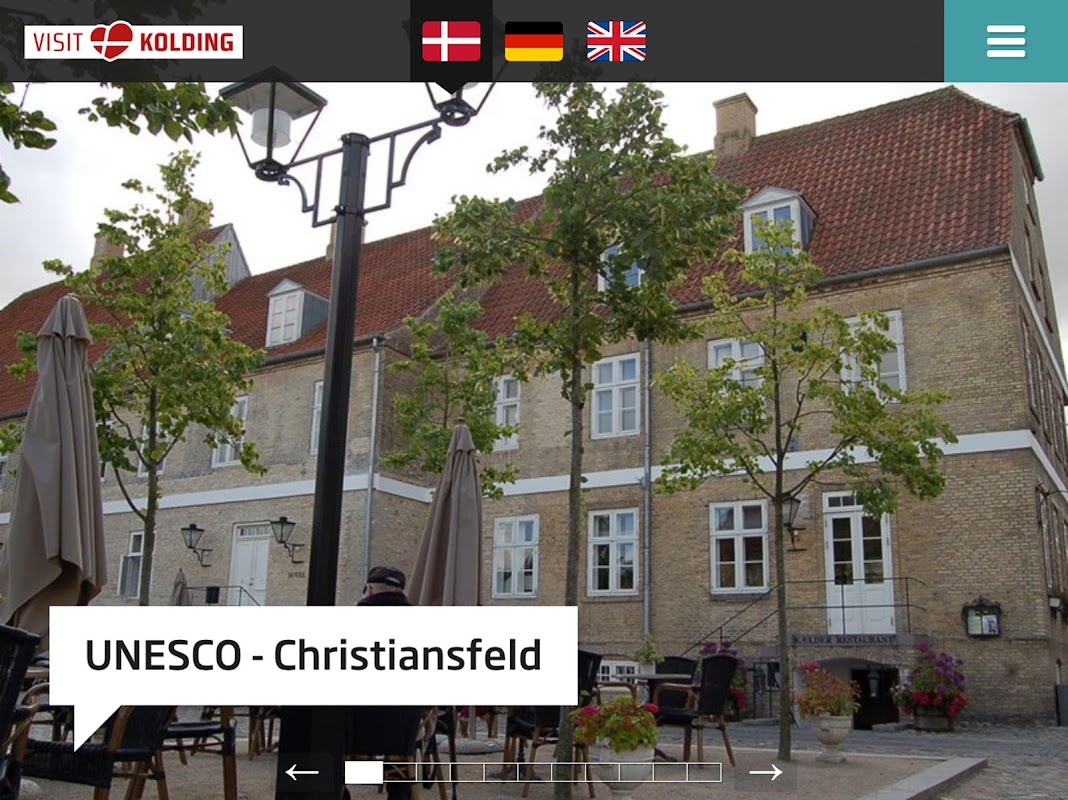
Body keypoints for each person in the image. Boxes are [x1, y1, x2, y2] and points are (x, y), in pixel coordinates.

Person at [345, 565, 422, 800]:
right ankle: (399, 790)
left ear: (368, 590)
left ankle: (340, 788)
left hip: (354, 733)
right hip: (403, 734)